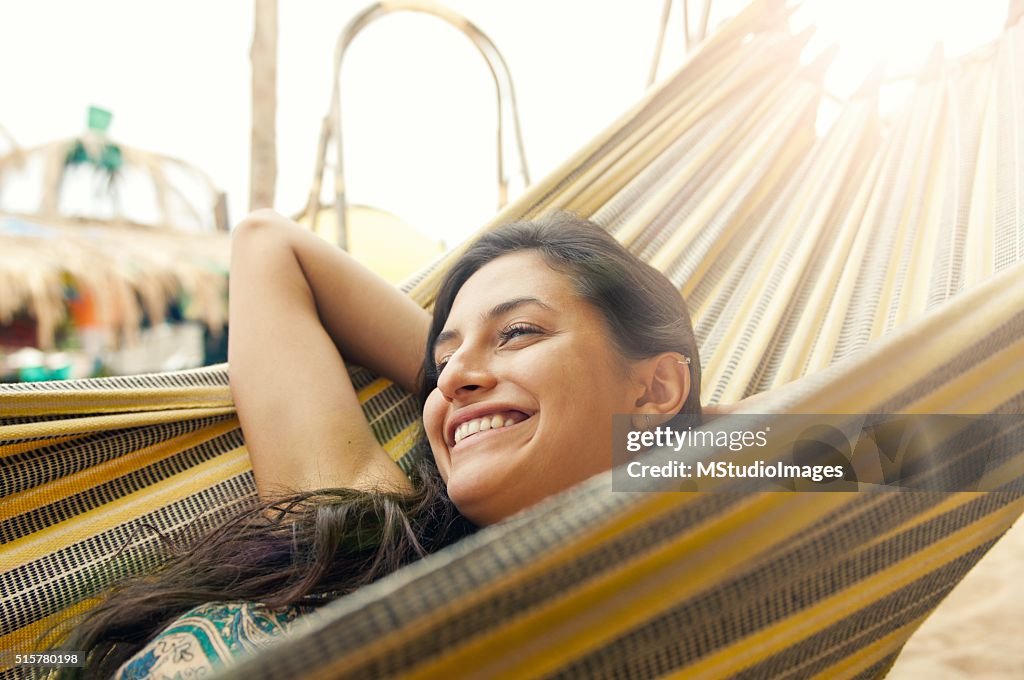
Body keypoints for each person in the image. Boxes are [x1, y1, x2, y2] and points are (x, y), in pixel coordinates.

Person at [52, 210, 702, 679]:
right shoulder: (364, 528)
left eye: (521, 331)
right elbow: (268, 244)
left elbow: (807, 442)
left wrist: (679, 411)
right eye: (440, 362)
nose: (452, 379)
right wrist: (471, 380)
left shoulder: (710, 588)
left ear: (655, 385)